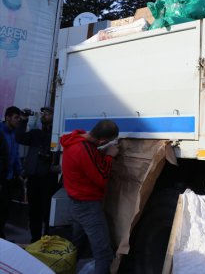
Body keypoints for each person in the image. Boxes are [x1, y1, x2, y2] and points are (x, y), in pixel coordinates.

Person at [61, 120, 119, 274]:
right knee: (103, 254)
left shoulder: (76, 139)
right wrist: (110, 156)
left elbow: (88, 161)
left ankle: (66, 270)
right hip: (87, 207)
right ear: (103, 141)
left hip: (76, 204)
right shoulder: (83, 150)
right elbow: (102, 177)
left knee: (76, 248)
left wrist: (101, 151)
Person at [15, 106, 60, 242]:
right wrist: (23, 120)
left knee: (47, 212)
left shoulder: (57, 135)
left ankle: (47, 240)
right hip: (33, 179)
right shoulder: (36, 134)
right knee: (33, 211)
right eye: (43, 113)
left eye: (48, 113)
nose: (44, 115)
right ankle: (35, 240)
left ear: (55, 116)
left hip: (49, 180)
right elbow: (19, 137)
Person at [0, 106, 22, 238]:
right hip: (1, 179)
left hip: (9, 179)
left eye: (19, 118)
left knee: (5, 210)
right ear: (7, 117)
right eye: (16, 117)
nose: (18, 120)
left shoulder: (13, 134)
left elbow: (16, 155)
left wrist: (19, 172)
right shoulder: (1, 133)